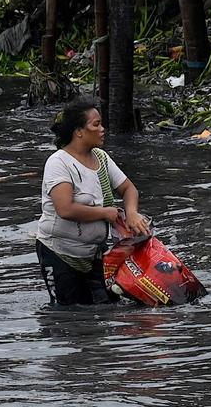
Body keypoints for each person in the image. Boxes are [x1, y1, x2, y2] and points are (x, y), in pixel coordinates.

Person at [35, 99, 151, 306]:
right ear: (79, 131)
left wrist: (132, 213)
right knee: (69, 313)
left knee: (107, 306)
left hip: (93, 254)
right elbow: (65, 209)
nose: (102, 129)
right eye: (96, 125)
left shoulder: (101, 157)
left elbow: (128, 189)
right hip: (59, 253)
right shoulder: (58, 162)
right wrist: (105, 213)